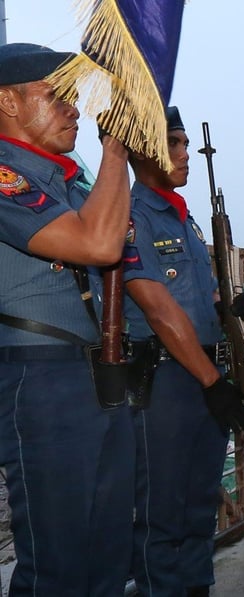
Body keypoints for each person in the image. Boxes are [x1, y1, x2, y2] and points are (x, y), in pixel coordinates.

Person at [0, 43, 135, 595]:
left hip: (95, 370)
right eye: (55, 95)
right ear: (8, 101)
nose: (74, 108)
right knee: (57, 557)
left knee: (105, 549)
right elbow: (100, 244)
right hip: (39, 373)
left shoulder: (66, 180)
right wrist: (117, 152)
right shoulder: (7, 177)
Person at [122, 106, 244, 596]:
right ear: (141, 150)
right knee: (162, 510)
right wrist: (213, 383)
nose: (185, 154)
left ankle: (196, 587)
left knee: (199, 503)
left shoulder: (185, 216)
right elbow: (157, 309)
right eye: (173, 142)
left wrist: (225, 303)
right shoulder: (132, 213)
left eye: (184, 143)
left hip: (201, 373)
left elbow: (196, 291)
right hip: (169, 380)